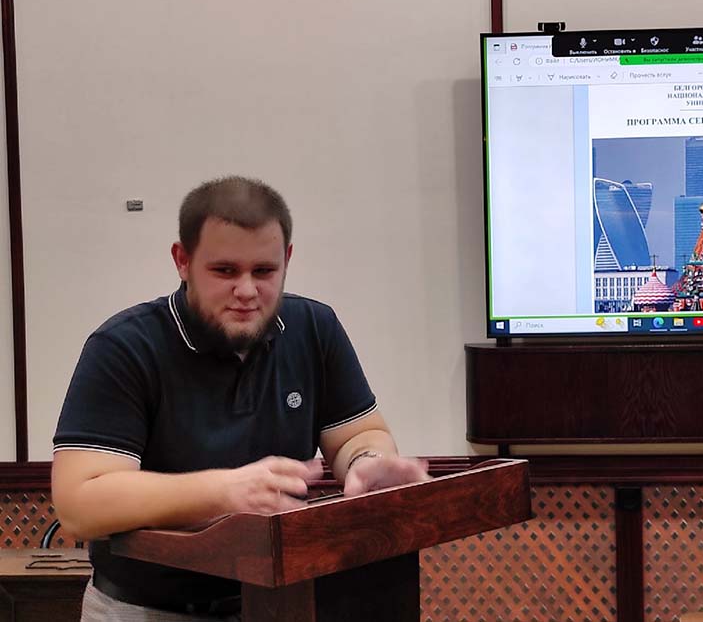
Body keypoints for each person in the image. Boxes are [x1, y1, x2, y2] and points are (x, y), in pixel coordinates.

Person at [51, 176, 430, 621]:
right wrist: (224, 492)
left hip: (281, 603)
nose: (247, 291)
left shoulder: (314, 328)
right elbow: (79, 503)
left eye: (264, 272)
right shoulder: (124, 347)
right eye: (225, 271)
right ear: (182, 261)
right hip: (143, 608)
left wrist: (367, 461)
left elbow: (358, 435)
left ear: (287, 260)